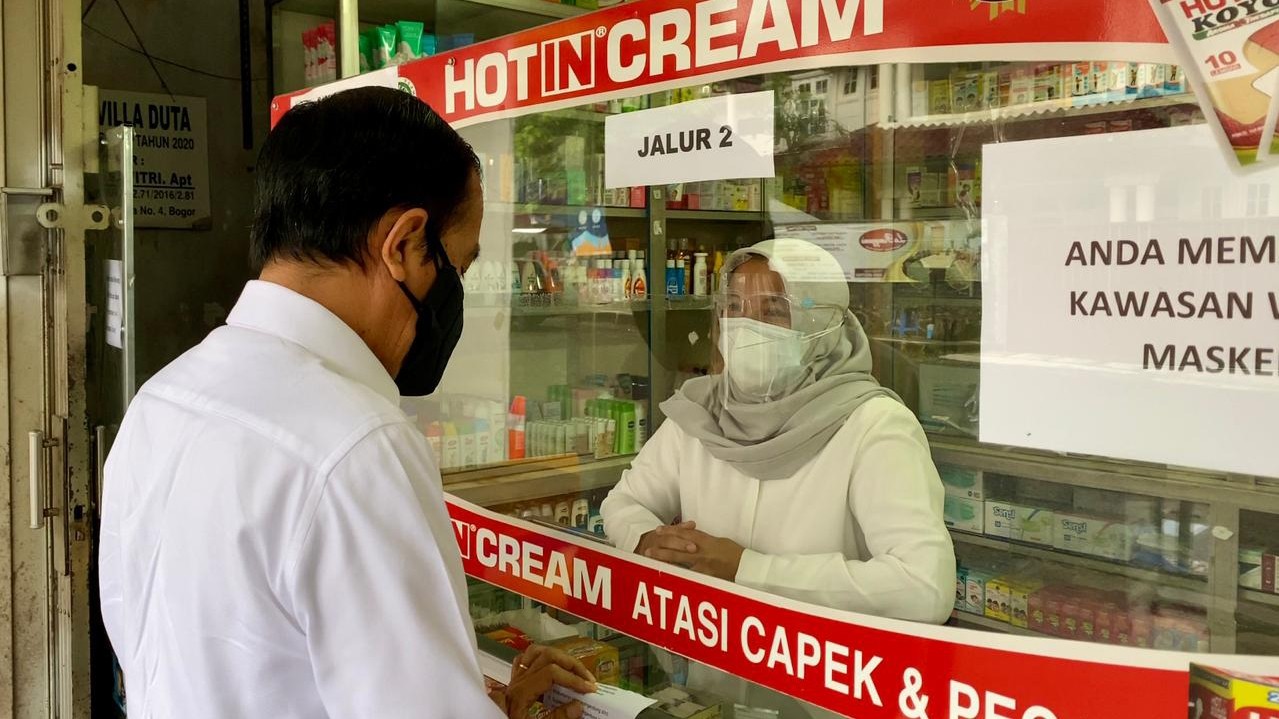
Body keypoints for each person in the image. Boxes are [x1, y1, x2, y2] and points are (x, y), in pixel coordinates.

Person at [98, 87, 594, 718]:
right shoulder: (355, 448)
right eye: (457, 267)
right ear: (405, 244)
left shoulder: (163, 398)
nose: (454, 296)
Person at [602, 238, 954, 715]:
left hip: (819, 699)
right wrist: (646, 541)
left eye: (773, 310)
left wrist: (747, 569)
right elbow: (624, 503)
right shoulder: (703, 410)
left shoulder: (873, 426)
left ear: (822, 323)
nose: (747, 327)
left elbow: (924, 587)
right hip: (705, 697)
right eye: (733, 308)